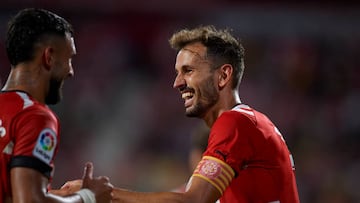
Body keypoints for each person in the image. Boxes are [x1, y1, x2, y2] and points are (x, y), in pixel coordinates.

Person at [62, 25, 300, 203]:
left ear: (223, 76)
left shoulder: (235, 123)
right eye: (177, 73)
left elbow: (193, 200)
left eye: (189, 71)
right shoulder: (253, 124)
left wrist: (104, 195)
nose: (177, 83)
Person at [0, 8, 112, 203]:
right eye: (69, 59)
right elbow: (29, 200)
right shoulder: (35, 117)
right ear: (49, 56)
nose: (71, 71)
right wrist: (88, 197)